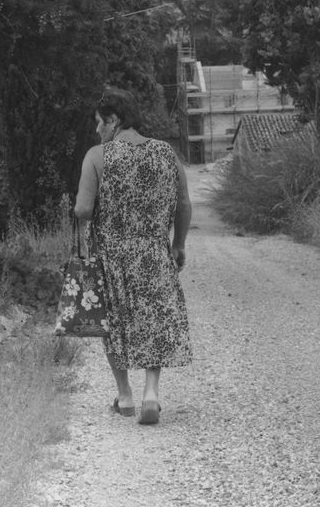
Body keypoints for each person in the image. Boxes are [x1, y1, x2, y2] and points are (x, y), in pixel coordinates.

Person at [74, 87, 192, 425]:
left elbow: (83, 209)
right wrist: (178, 244)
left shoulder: (97, 156)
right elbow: (183, 204)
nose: (97, 130)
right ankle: (151, 393)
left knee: (114, 325)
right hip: (154, 251)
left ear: (113, 120)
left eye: (99, 123)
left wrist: (84, 205)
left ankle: (125, 396)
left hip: (111, 255)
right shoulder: (166, 154)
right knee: (153, 321)